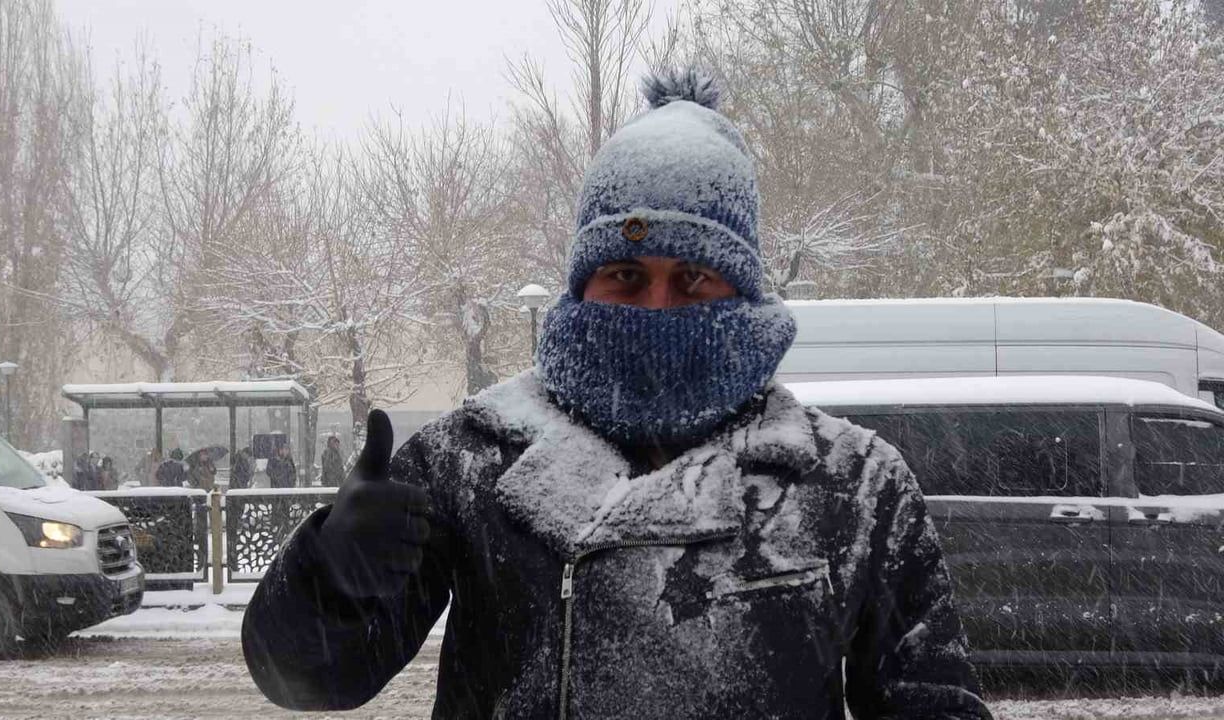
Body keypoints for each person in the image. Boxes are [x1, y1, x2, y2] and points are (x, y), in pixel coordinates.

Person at [243, 70, 991, 719]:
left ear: (744, 290)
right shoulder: (467, 461)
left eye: (694, 278)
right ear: (584, 285)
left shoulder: (855, 482)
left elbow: (934, 706)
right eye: (626, 276)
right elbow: (311, 679)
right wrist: (329, 575)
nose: (657, 308)